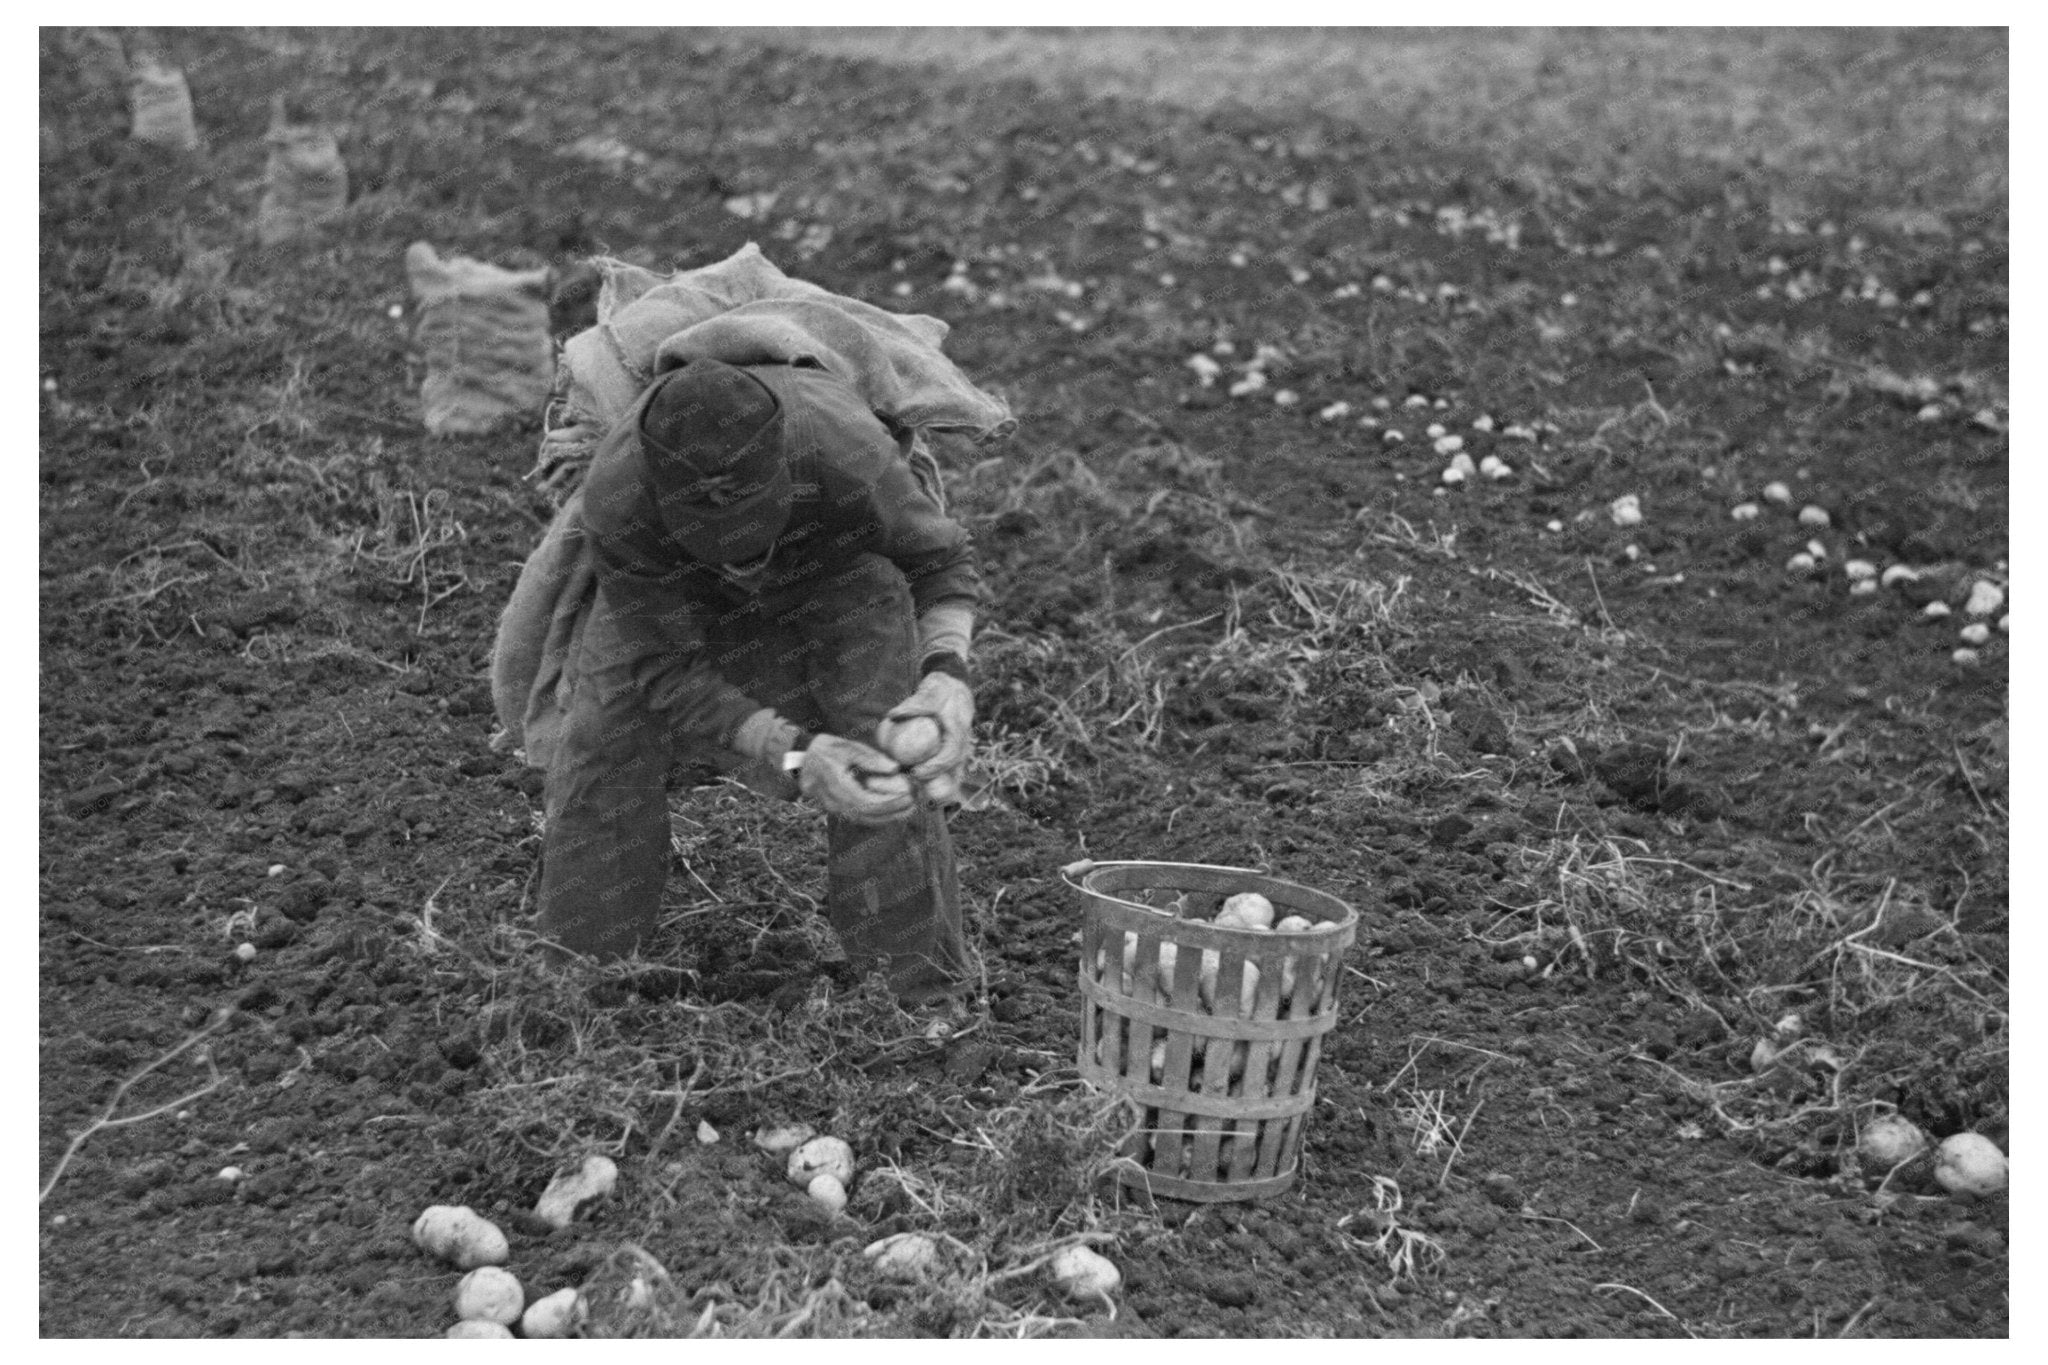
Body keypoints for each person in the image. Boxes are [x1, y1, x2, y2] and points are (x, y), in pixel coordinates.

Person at [535, 355, 982, 1005]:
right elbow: (663, 666)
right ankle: (578, 986)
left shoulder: (844, 451)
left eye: (753, 543)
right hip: (675, 592)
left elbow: (942, 560)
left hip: (836, 567)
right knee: (604, 731)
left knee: (884, 751)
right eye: (722, 546)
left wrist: (947, 677)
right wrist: (796, 753)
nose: (745, 567)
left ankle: (915, 998)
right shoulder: (619, 495)